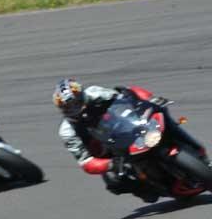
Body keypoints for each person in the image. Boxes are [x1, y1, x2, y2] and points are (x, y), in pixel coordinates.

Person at [53, 78, 208, 202]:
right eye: (68, 106)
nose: (74, 108)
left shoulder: (95, 93)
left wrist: (151, 99)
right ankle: (147, 189)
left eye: (75, 102)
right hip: (107, 149)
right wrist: (110, 164)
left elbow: (128, 94)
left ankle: (195, 149)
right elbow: (85, 162)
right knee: (115, 181)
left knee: (161, 114)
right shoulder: (67, 131)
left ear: (82, 95)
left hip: (127, 124)